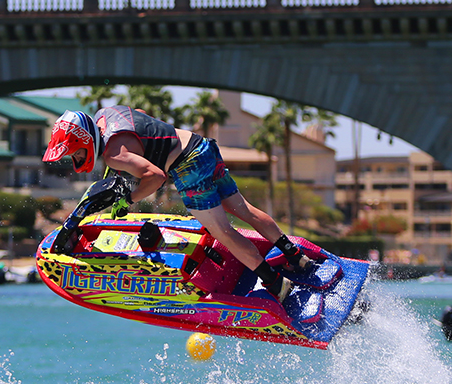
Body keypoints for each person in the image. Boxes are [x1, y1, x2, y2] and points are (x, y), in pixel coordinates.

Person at [42, 108, 308, 300]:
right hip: (201, 145)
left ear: (86, 142)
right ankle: (297, 257)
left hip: (187, 166)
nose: (74, 158)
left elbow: (156, 177)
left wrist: (128, 199)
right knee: (243, 209)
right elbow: (140, 117)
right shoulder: (105, 114)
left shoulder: (113, 155)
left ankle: (277, 285)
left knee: (222, 232)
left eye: (74, 152)